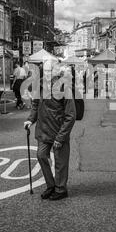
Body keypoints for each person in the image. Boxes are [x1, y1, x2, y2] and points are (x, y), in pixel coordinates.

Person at [24, 60, 76, 201]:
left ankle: (61, 189)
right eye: (45, 70)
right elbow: (35, 105)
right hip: (43, 130)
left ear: (57, 71)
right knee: (41, 155)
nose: (47, 74)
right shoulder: (39, 85)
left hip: (59, 131)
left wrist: (61, 137)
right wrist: (30, 119)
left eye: (50, 70)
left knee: (60, 162)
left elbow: (71, 115)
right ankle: (51, 185)